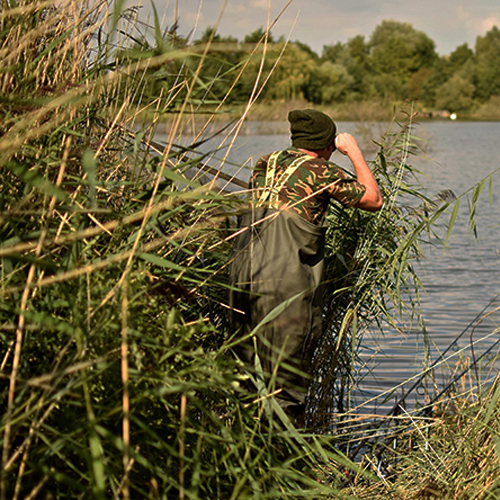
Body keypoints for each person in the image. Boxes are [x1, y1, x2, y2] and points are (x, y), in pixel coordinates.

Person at [229, 109, 382, 423]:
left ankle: (244, 452)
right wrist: (353, 151)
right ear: (326, 143)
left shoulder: (264, 163)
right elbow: (373, 199)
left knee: (245, 376)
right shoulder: (320, 170)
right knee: (287, 383)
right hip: (283, 284)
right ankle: (286, 457)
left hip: (241, 276)